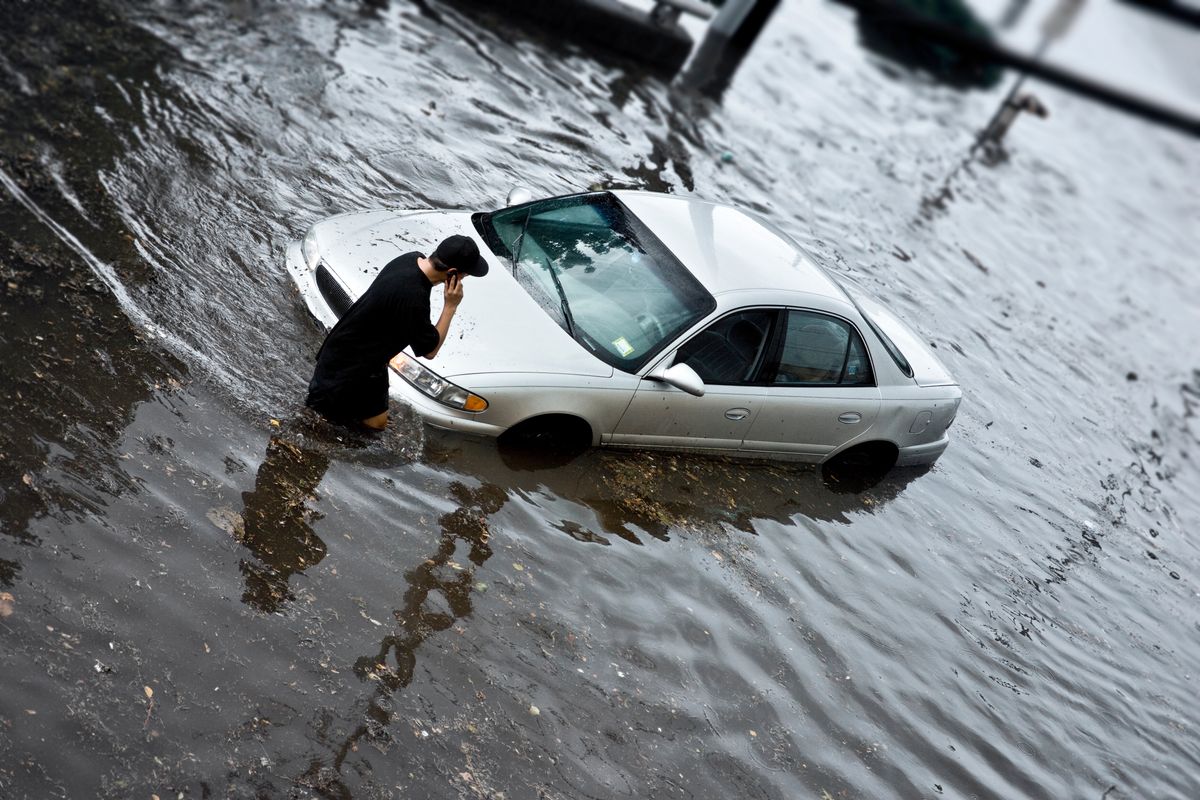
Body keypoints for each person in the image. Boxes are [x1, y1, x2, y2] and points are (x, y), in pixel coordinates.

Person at [305, 234, 489, 430]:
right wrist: (450, 306)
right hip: (346, 370)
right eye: (464, 275)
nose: (463, 280)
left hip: (367, 361)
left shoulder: (410, 259)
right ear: (452, 273)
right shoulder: (413, 297)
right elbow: (430, 350)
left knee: (376, 424)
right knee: (316, 425)